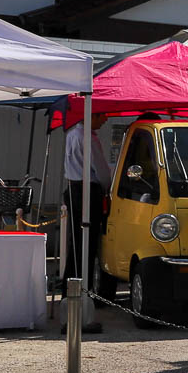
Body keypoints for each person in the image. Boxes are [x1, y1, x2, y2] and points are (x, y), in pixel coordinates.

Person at [63, 117, 109, 281]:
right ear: (92, 114)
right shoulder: (88, 137)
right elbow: (101, 170)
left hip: (73, 188)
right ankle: (83, 283)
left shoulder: (72, 134)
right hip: (88, 191)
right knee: (88, 241)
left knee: (75, 240)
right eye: (102, 115)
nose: (106, 119)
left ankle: (70, 281)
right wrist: (108, 187)